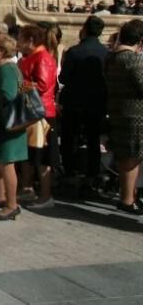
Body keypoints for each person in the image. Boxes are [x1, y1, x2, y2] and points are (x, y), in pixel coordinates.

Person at [58, 16, 108, 185]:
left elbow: (63, 78)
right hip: (96, 103)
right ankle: (92, 173)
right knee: (93, 139)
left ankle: (70, 170)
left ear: (84, 30)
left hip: (74, 102)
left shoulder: (74, 51)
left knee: (70, 137)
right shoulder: (106, 53)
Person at [0, 33, 26, 220]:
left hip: (6, 123)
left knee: (6, 163)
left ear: (1, 50)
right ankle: (0, 197)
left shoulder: (7, 69)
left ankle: (11, 204)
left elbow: (7, 95)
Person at [103, 19, 143, 214]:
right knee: (132, 157)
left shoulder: (111, 58)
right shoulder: (133, 60)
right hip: (135, 115)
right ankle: (128, 199)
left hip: (117, 110)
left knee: (124, 156)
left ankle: (126, 195)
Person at [17, 24, 58, 209]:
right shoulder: (33, 57)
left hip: (41, 114)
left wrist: (19, 84)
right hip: (31, 112)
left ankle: (45, 195)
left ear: (30, 40)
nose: (18, 43)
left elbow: (41, 85)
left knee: (42, 157)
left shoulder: (42, 58)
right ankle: (27, 189)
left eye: (21, 39)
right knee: (29, 154)